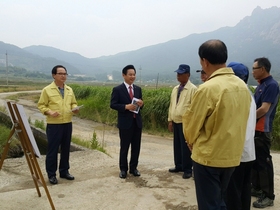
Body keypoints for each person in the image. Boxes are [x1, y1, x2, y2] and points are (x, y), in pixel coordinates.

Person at [182, 39, 251, 210]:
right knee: (221, 200)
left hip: (208, 157)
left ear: (204, 61)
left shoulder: (207, 88)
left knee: (209, 204)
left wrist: (190, 141)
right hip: (232, 156)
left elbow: (192, 124)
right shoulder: (242, 86)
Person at [38, 65, 79, 185]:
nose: (63, 76)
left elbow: (73, 103)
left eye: (65, 73)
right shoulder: (47, 90)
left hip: (67, 123)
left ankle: (64, 171)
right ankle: (51, 174)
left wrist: (74, 108)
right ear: (54, 75)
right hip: (54, 124)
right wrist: (50, 112)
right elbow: (41, 105)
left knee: (66, 149)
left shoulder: (69, 90)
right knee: (53, 150)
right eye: (60, 73)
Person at [225, 62, 256, 210]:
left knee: (233, 194)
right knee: (244, 190)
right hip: (248, 152)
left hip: (236, 153)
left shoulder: (237, 96)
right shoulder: (249, 94)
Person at [251, 57, 279, 208]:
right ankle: (256, 188)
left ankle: (268, 196)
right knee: (255, 161)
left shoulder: (272, 85)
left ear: (262, 69)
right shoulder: (261, 85)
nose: (252, 71)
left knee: (264, 163)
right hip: (255, 129)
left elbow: (264, 109)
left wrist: (248, 119)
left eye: (254, 68)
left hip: (263, 129)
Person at [110, 64, 144, 179]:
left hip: (137, 123)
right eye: (130, 74)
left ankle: (133, 168)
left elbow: (140, 105)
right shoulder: (117, 89)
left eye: (134, 74)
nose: (132, 76)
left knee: (136, 147)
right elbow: (113, 104)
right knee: (124, 147)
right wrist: (125, 107)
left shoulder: (138, 89)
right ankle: (123, 169)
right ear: (124, 75)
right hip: (125, 123)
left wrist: (141, 104)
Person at [167, 64, 197, 179]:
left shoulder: (193, 89)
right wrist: (170, 120)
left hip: (186, 122)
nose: (178, 76)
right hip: (175, 120)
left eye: (181, 74)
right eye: (177, 74)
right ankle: (178, 165)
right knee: (177, 145)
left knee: (186, 146)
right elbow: (172, 105)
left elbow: (194, 108)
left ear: (188, 75)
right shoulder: (175, 89)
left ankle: (188, 169)